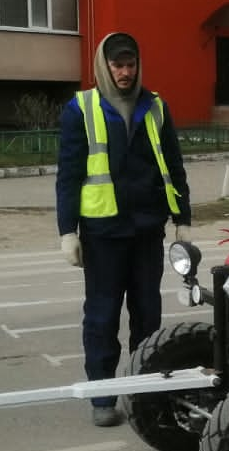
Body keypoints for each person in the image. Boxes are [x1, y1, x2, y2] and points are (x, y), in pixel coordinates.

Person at [56, 32, 192, 426]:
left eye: (130, 64)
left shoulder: (156, 107)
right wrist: (68, 230)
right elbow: (69, 175)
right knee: (102, 317)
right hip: (103, 233)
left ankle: (145, 394)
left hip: (148, 229)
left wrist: (183, 219)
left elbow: (174, 167)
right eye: (118, 65)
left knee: (148, 317)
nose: (125, 72)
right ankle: (103, 397)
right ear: (105, 65)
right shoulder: (80, 109)